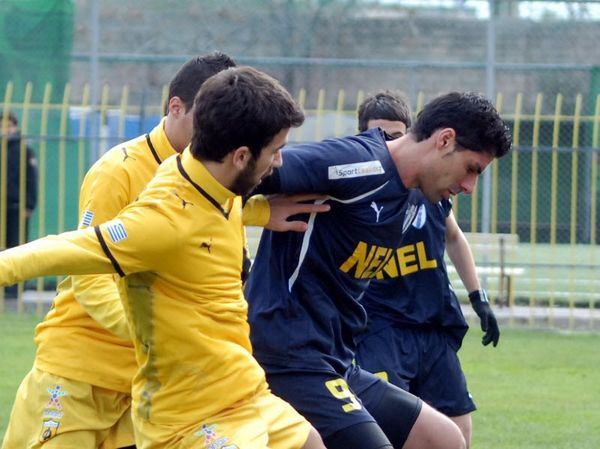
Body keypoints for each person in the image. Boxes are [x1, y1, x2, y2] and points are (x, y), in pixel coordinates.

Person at [1, 58, 327, 449]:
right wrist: (153, 333)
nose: (279, 162)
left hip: (165, 381)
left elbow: (202, 227)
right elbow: (81, 263)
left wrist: (257, 212)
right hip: (83, 371)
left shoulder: (211, 181)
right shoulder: (133, 184)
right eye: (275, 151)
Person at [244, 91, 512, 449]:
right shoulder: (354, 163)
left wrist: (477, 297)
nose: (469, 187)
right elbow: (226, 175)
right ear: (444, 140)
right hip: (287, 357)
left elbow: (452, 237)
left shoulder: (416, 192)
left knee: (444, 439)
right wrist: (258, 213)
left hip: (336, 362)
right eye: (471, 169)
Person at [353, 90, 500, 448]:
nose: (388, 141)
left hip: (432, 326)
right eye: (379, 134)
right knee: (392, 430)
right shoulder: (358, 191)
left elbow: (454, 238)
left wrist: (478, 297)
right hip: (381, 329)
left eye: (395, 133)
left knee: (458, 433)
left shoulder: (434, 190)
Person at [0, 111, 38, 297]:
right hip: (1, 206)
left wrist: (29, 205)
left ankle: (16, 287)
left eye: (9, 126)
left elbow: (32, 179)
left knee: (17, 246)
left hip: (17, 206)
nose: (6, 130)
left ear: (15, 127)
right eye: (3, 126)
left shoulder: (23, 149)